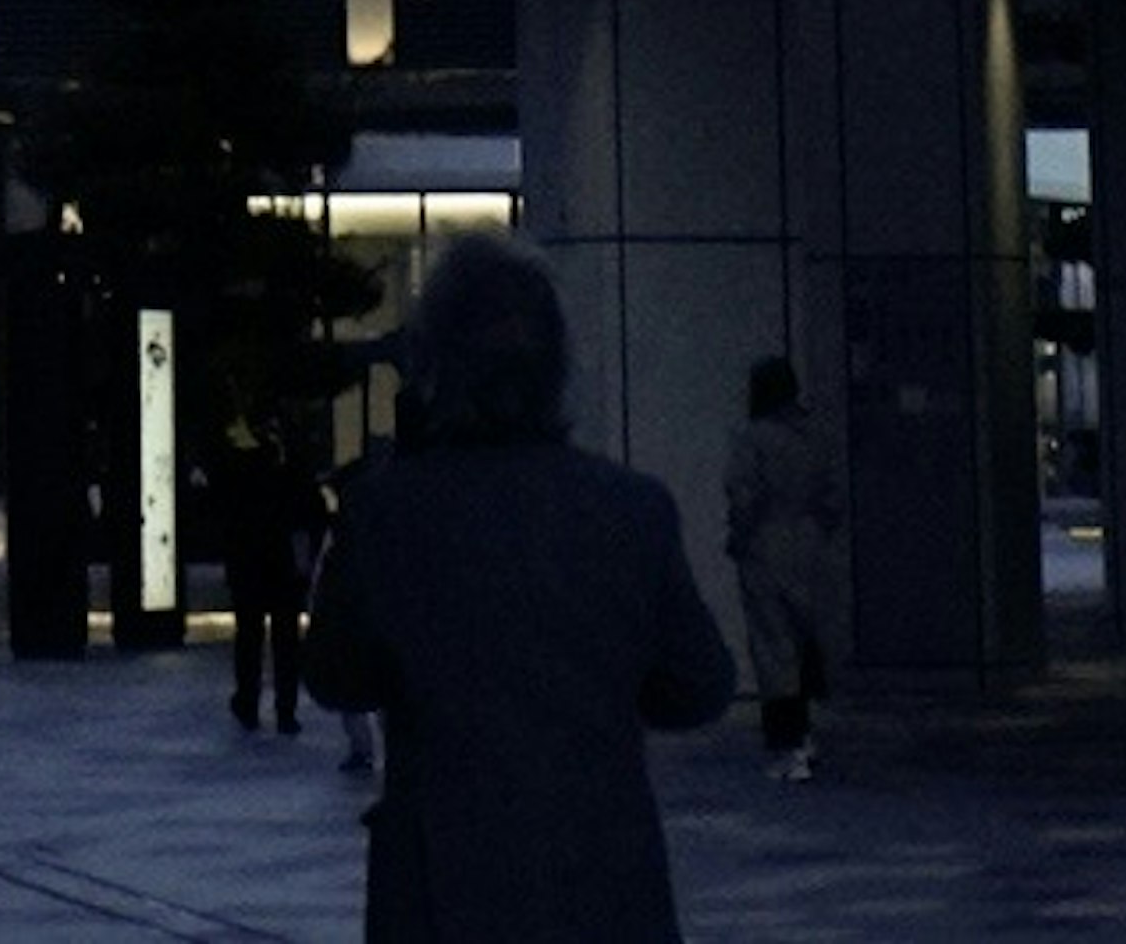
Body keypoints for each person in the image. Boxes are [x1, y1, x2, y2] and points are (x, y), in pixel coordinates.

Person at [302, 235, 734, 944]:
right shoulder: (631, 508)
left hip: (443, 880)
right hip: (602, 876)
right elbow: (700, 687)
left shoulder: (386, 511)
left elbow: (334, 676)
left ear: (435, 363)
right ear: (558, 367)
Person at [721, 355, 841, 783]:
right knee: (807, 639)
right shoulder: (815, 437)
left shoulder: (753, 439)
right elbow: (832, 498)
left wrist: (738, 538)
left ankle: (785, 743)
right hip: (809, 545)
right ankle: (806, 735)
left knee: (774, 649)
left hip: (766, 546)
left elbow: (744, 497)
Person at [209, 404, 328, 736]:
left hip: (250, 565)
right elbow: (311, 519)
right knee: (286, 640)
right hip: (285, 568)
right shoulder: (295, 477)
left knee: (249, 636)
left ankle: (248, 701)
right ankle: (285, 709)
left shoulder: (242, 475)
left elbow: (228, 519)